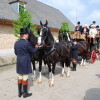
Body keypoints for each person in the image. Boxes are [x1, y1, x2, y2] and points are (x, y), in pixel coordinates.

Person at [14, 27, 39, 98]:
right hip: (25, 62)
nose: (28, 35)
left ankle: (19, 93)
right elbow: (33, 51)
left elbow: (16, 52)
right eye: (27, 34)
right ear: (24, 35)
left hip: (19, 61)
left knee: (19, 76)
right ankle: (25, 93)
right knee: (25, 77)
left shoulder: (16, 43)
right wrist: (36, 47)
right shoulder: (27, 43)